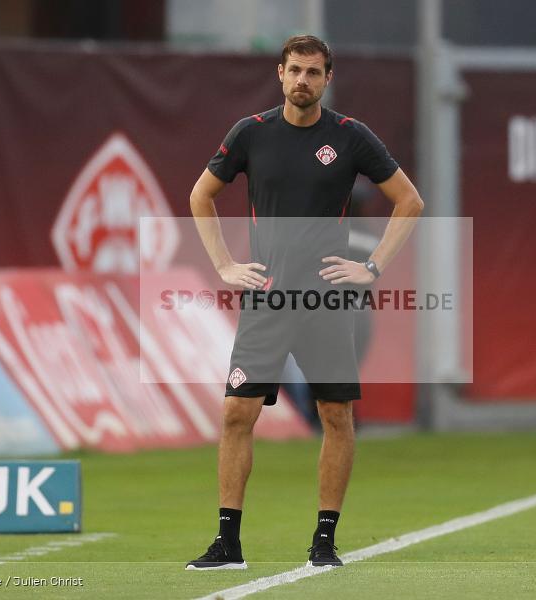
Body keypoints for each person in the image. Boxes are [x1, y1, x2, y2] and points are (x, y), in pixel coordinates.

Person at [186, 35, 423, 570]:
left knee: (336, 414)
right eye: (295, 70)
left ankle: (324, 542)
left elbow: (409, 201)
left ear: (327, 79)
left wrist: (371, 267)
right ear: (280, 73)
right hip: (267, 299)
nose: (302, 81)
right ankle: (228, 544)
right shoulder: (251, 133)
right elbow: (200, 195)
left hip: (326, 302)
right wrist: (224, 266)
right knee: (235, 413)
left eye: (313, 73)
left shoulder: (350, 137)